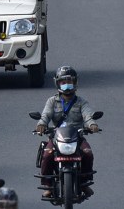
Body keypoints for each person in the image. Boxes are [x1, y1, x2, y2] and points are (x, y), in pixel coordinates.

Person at [34, 66, 98, 198]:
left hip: (77, 136)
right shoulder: (52, 101)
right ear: (58, 83)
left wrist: (92, 125)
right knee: (47, 156)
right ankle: (48, 185)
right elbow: (45, 115)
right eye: (63, 82)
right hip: (56, 136)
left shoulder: (81, 102)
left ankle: (84, 183)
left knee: (88, 153)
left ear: (75, 83)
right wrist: (41, 125)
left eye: (70, 81)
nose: (67, 85)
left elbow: (88, 116)